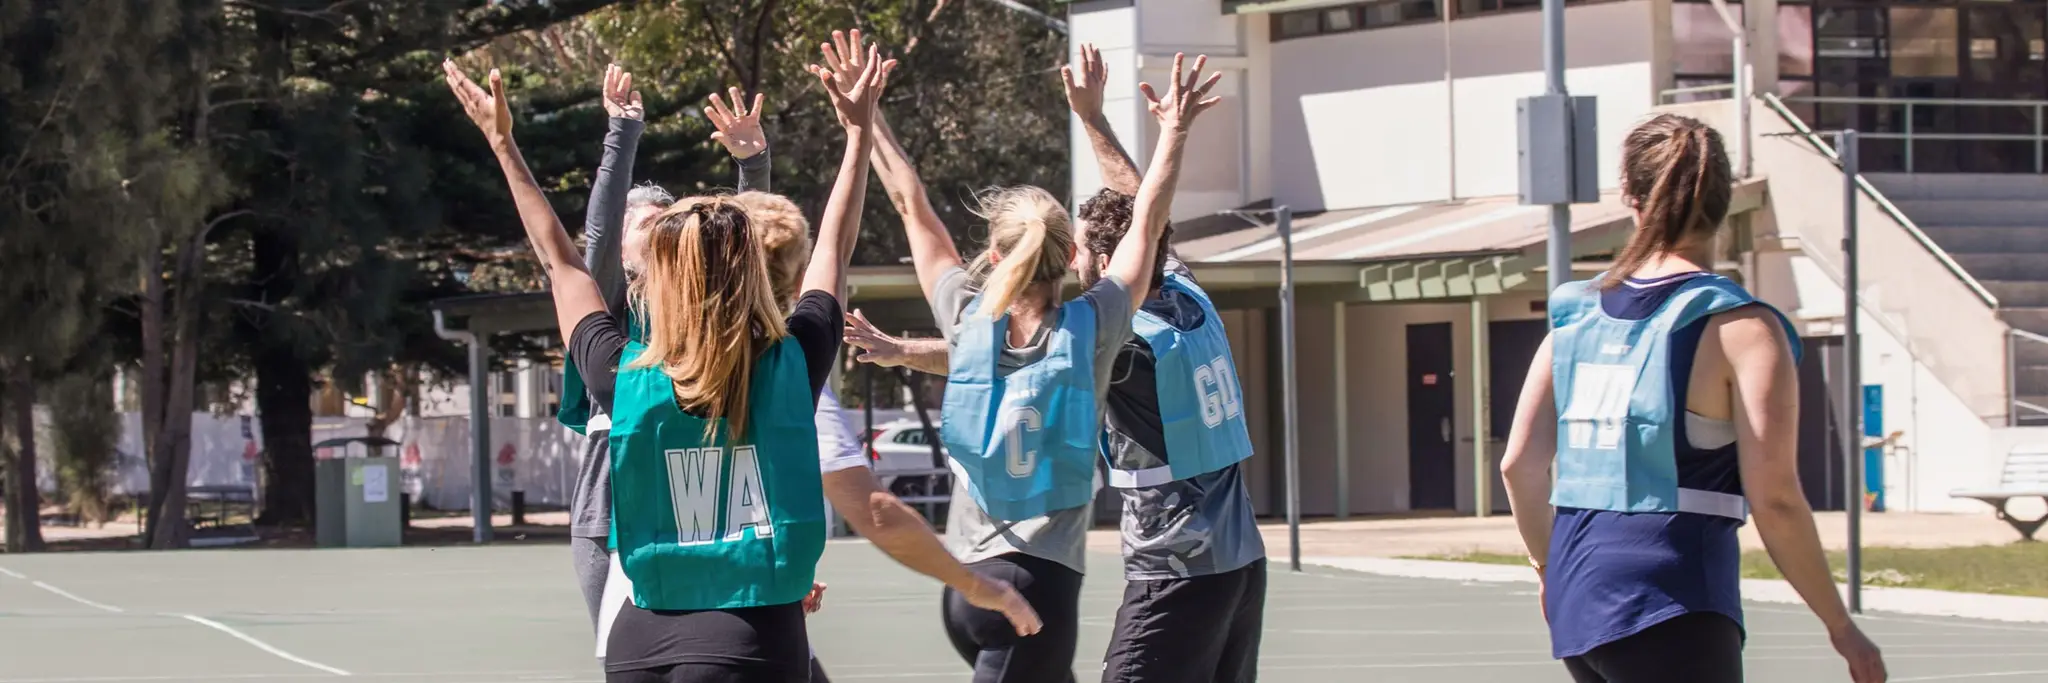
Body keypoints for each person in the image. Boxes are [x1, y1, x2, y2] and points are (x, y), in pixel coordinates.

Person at [558, 64, 1039, 681]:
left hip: (710, 598)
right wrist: (855, 136)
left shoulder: (661, 354)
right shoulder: (728, 350)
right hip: (649, 538)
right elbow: (728, 248)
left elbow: (724, 247)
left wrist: (749, 168)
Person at [442, 47, 891, 683]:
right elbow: (835, 247)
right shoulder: (790, 362)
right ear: (749, 274)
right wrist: (858, 132)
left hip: (639, 643)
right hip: (750, 635)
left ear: (657, 281)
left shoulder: (623, 375)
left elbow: (562, 264)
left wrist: (504, 145)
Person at [842, 43, 1264, 683]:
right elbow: (1145, 216)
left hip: (1001, 571)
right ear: (1068, 257)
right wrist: (1147, 128)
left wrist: (865, 120)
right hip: (1213, 556)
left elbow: (912, 206)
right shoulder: (1170, 300)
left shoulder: (995, 322)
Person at [1497, 113, 1888, 683]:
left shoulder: (1575, 316)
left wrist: (1548, 570)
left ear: (1629, 197)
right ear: (1724, 200)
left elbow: (1518, 467)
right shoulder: (1740, 327)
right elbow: (1775, 497)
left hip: (1581, 599)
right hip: (1673, 599)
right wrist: (1840, 625)